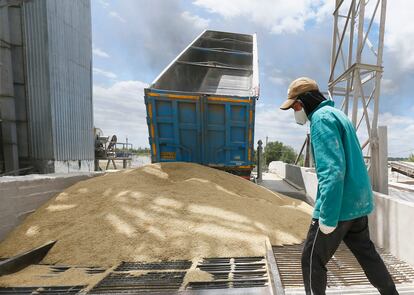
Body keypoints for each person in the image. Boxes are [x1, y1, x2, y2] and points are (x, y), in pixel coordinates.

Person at [279, 77, 398, 295]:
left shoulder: (321, 120)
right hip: (358, 204)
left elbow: (332, 173)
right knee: (367, 255)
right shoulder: (338, 115)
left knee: (311, 260)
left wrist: (327, 217)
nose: (295, 111)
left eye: (295, 106)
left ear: (305, 101)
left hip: (338, 207)